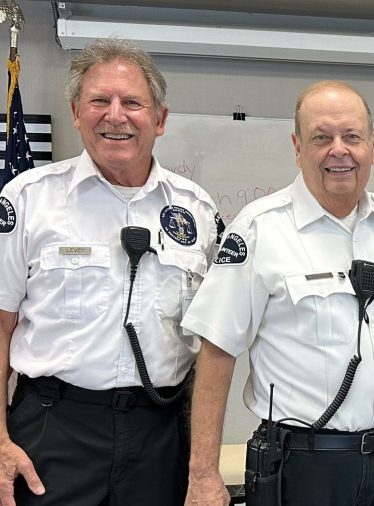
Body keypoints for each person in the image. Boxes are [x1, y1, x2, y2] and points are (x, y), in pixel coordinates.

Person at [182, 80, 374, 506]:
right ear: (298, 147)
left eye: (352, 137)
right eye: (322, 137)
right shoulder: (261, 228)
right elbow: (217, 351)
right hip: (299, 468)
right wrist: (203, 473)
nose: (339, 150)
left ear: (372, 146)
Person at [0, 38, 222, 505]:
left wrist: (202, 464)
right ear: (77, 112)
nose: (115, 115)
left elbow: (214, 345)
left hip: (160, 432)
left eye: (133, 103)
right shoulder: (29, 199)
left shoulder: (197, 212)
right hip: (53, 429)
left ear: (159, 120)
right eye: (100, 101)